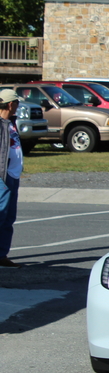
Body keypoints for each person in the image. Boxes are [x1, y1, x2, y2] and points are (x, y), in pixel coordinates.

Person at [0, 89, 25, 268]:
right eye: (17, 103)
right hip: (3, 176)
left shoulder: (11, 123)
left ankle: (2, 255)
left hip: (13, 175)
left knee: (9, 218)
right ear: (10, 104)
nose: (18, 106)